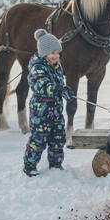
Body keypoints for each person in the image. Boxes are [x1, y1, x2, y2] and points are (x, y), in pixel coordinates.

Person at [22, 29, 74, 177]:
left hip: (56, 111)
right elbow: (42, 86)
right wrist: (58, 88)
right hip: (41, 113)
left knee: (58, 138)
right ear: (43, 52)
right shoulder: (37, 67)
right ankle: (29, 165)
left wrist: (65, 92)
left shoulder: (56, 66)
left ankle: (56, 164)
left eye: (58, 52)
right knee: (38, 140)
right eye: (53, 53)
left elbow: (58, 85)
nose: (56, 56)